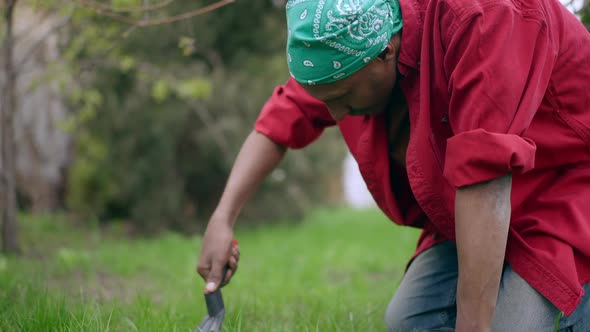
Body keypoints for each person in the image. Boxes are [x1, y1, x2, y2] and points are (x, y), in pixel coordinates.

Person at [197, 0, 590, 330]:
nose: (333, 113)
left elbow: (485, 174)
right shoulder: (345, 48)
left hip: (563, 192)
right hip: (473, 213)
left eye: (344, 96)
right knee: (409, 321)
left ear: (387, 49)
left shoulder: (484, 17)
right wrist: (222, 218)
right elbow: (278, 124)